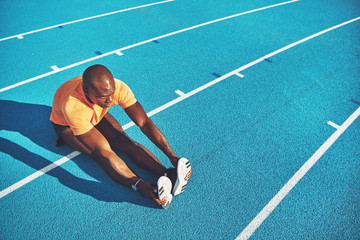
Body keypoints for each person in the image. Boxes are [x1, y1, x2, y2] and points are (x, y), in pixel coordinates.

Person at [50, 64, 192, 209]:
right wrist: (140, 184)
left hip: (95, 113)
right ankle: (142, 186)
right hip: (66, 126)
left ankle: (168, 174)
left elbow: (144, 123)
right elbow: (105, 153)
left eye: (111, 93)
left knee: (123, 140)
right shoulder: (73, 107)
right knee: (99, 155)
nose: (110, 100)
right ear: (87, 91)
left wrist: (171, 155)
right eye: (104, 96)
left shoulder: (117, 87)